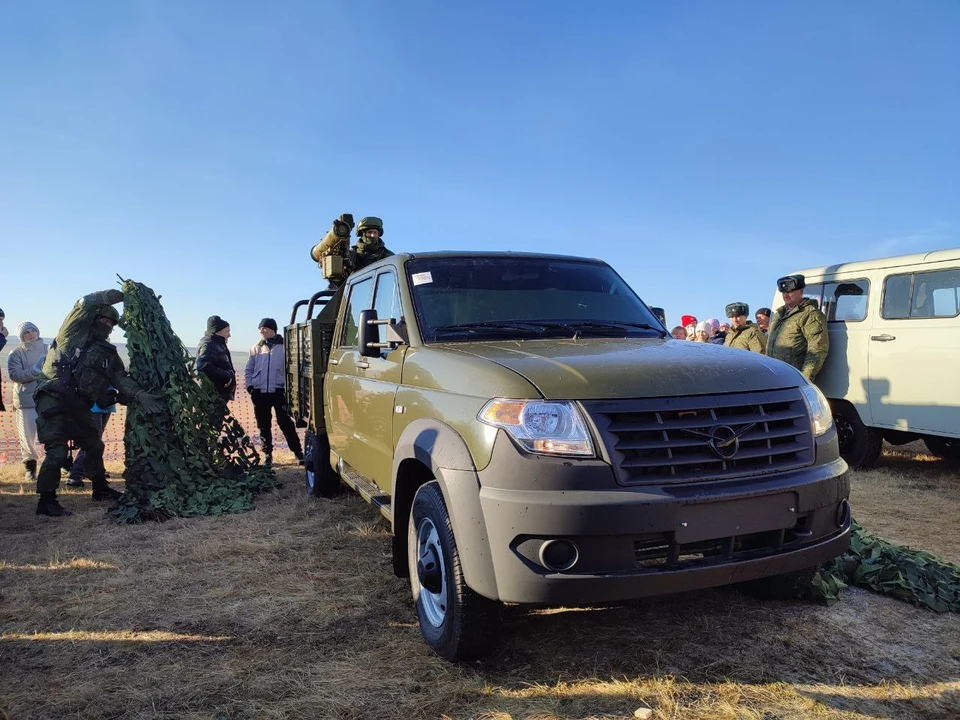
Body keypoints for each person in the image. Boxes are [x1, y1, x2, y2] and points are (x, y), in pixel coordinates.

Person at [33, 290, 162, 517]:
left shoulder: (107, 352)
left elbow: (120, 377)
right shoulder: (72, 334)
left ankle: (100, 489)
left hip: (79, 404)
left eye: (111, 324)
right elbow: (84, 303)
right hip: (53, 398)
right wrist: (121, 295)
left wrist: (140, 395)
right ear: (93, 318)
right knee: (57, 451)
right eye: (104, 320)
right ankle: (47, 500)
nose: (108, 326)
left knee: (94, 445)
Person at [245, 318, 304, 467]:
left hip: (279, 391)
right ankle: (268, 456)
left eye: (264, 328)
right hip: (259, 392)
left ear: (273, 329)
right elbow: (249, 369)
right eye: (260, 328)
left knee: (285, 423)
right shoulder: (255, 348)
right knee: (263, 425)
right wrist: (250, 386)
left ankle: (298, 453)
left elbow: (293, 368)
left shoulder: (285, 347)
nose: (261, 331)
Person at [766, 275, 829, 381]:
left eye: (790, 291)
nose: (786, 295)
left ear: (801, 291)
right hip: (774, 376)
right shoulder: (779, 314)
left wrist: (804, 378)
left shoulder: (809, 314)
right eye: (783, 292)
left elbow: (817, 349)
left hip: (793, 378)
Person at [7, 322, 48, 481]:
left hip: (50, 398)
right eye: (27, 333)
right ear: (21, 336)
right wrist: (35, 371)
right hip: (27, 400)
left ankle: (61, 463)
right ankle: (30, 467)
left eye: (33, 330)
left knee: (55, 433)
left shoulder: (50, 349)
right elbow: (15, 375)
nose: (31, 334)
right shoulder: (16, 353)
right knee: (28, 437)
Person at [310, 214, 394, 289]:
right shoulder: (351, 254)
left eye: (375, 233)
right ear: (362, 234)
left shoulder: (387, 255)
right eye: (369, 232)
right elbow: (340, 284)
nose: (372, 235)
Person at [66, 398, 117, 487]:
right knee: (92, 442)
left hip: (107, 403)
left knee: (96, 441)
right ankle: (76, 475)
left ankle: (92, 471)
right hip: (92, 406)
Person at [197, 316, 236, 402]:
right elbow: (203, 365)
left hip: (219, 394)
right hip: (212, 396)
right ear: (218, 331)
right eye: (227, 331)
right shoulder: (209, 344)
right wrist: (227, 376)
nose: (229, 335)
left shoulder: (217, 343)